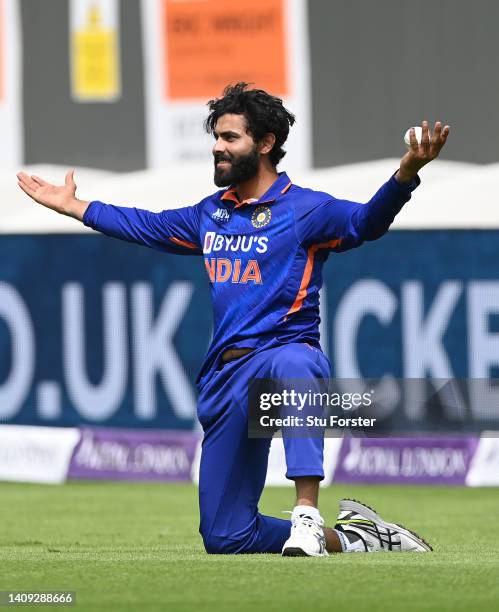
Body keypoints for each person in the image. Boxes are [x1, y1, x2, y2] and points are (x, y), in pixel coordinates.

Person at [17, 82, 449, 556]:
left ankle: (307, 513)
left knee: (295, 365)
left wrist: (406, 174)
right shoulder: (211, 214)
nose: (217, 148)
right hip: (226, 376)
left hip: (281, 356)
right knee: (225, 537)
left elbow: (366, 223)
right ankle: (358, 538)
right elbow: (146, 225)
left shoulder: (305, 210)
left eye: (230, 138)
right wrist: (77, 207)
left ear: (265, 144)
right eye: (216, 138)